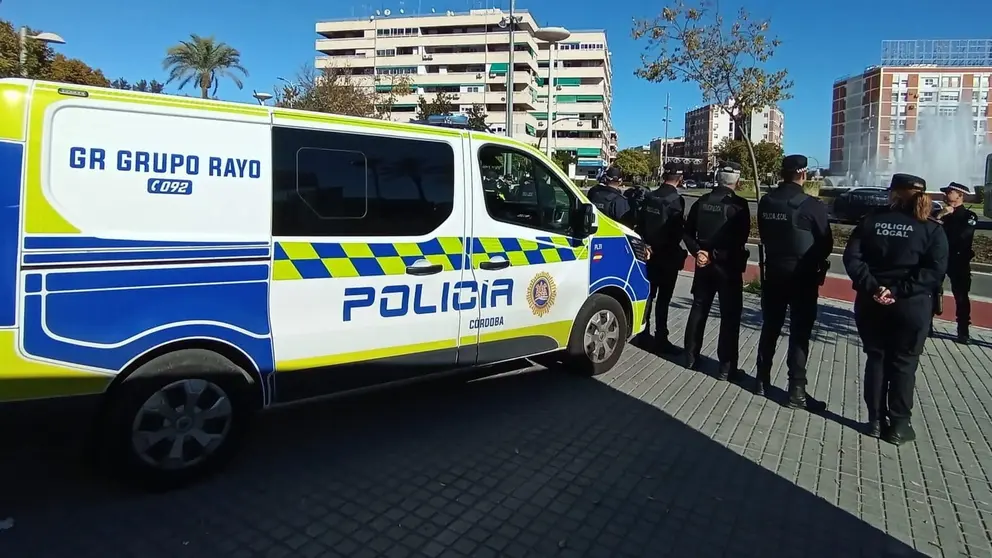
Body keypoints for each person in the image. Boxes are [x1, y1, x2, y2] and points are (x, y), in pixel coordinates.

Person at [843, 173, 948, 445]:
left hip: (871, 302)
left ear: (893, 194)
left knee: (876, 358)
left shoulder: (871, 221)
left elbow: (853, 258)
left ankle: (875, 421)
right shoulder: (931, 228)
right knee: (904, 363)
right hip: (911, 306)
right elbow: (934, 271)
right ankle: (900, 425)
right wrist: (898, 291)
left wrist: (874, 287)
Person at [754, 155, 833, 410]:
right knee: (799, 333)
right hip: (802, 277)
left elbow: (765, 234)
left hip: (774, 272)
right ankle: (796, 391)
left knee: (771, 327)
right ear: (803, 174)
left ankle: (762, 380)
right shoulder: (812, 205)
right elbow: (826, 243)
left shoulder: (766, 201)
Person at [682, 161, 751, 378]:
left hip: (703, 265)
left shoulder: (701, 202)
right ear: (737, 181)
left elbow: (686, 232)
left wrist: (698, 252)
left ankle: (691, 357)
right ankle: (726, 367)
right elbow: (740, 238)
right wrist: (712, 255)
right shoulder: (739, 205)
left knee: (699, 309)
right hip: (727, 268)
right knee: (729, 316)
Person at [637, 161, 688, 354]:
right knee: (664, 300)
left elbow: (641, 224)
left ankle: (643, 333)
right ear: (680, 179)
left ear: (663, 176)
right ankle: (661, 338)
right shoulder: (676, 200)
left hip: (648, 254)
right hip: (666, 256)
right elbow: (675, 231)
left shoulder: (650, 196)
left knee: (649, 295)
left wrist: (646, 244)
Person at [932, 182, 978, 344]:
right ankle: (927, 325)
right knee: (932, 291)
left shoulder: (969, 216)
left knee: (961, 296)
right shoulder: (938, 213)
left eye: (950, 192)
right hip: (938, 258)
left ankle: (963, 331)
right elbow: (927, 232)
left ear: (960, 195)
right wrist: (940, 216)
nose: (946, 195)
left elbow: (963, 236)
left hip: (958, 261)